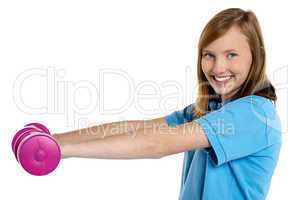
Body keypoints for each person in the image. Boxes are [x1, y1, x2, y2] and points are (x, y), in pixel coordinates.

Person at [53, 8, 282, 200]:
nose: (218, 67)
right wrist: (55, 140)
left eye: (231, 54)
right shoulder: (209, 110)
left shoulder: (255, 114)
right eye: (209, 55)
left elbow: (157, 144)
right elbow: (140, 128)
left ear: (256, 56)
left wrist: (62, 151)